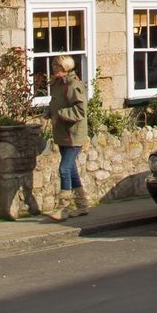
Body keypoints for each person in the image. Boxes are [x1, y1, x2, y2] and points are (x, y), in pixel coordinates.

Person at [46, 59, 91, 218]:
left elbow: (80, 111)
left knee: (64, 168)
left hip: (73, 135)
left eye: (56, 66)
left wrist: (60, 114)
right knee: (71, 170)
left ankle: (63, 207)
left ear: (65, 68)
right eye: (53, 66)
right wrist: (49, 112)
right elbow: (56, 102)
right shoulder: (58, 84)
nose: (54, 69)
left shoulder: (73, 85)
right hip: (62, 134)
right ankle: (82, 204)